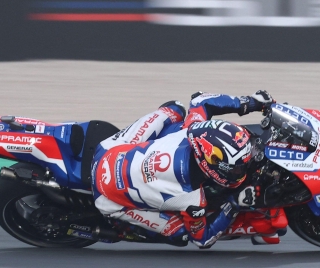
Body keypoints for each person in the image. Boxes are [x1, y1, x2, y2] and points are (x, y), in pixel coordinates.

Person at [91, 90, 274, 248]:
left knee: (175, 109)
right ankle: (123, 229)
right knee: (180, 233)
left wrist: (251, 103)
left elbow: (201, 100)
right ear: (210, 165)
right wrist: (234, 204)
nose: (240, 170)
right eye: (235, 169)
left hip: (109, 150)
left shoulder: (191, 129)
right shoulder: (192, 198)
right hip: (107, 198)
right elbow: (202, 239)